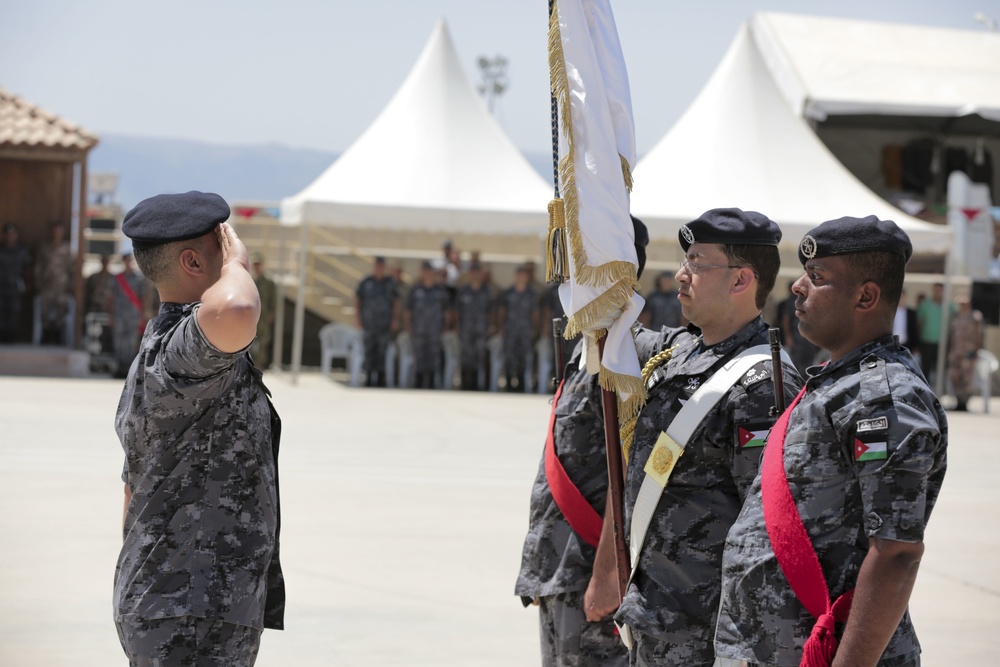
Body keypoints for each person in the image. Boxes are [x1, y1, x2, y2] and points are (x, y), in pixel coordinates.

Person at [715, 215, 948, 667]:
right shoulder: (837, 384)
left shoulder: (884, 396)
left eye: (817, 277)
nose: (798, 287)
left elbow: (896, 553)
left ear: (866, 296)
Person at [608, 208, 802, 666]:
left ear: (740, 281)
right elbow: (611, 335)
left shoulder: (760, 384)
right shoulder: (679, 351)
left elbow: (764, 531)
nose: (681, 274)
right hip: (654, 618)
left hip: (706, 633)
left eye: (697, 262)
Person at [113, 191, 284, 666]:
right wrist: (240, 267)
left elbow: (132, 490)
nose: (234, 253)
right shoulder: (181, 353)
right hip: (189, 609)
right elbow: (236, 310)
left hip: (189, 602)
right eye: (222, 246)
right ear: (192, 261)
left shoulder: (163, 349)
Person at [515, 216, 649, 667]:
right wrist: (541, 567)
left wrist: (608, 573)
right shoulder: (585, 349)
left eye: (579, 265)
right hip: (563, 569)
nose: (565, 277)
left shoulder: (625, 354)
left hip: (591, 568)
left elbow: (630, 471)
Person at [405, 261, 451, 389]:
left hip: (435, 331)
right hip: (418, 330)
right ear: (422, 273)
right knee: (419, 357)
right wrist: (408, 326)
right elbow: (408, 311)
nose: (427, 273)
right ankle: (418, 383)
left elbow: (446, 312)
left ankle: (431, 382)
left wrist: (445, 327)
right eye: (425, 271)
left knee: (433, 358)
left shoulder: (440, 291)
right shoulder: (415, 290)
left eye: (429, 271)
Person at [355, 257, 398, 387]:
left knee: (382, 352)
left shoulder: (390, 283)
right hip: (369, 323)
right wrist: (357, 318)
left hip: (384, 324)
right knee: (369, 351)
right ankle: (368, 378)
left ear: (384, 267)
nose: (379, 268)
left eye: (381, 266)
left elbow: (396, 302)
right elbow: (358, 299)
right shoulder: (366, 282)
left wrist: (395, 319)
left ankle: (380, 379)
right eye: (377, 266)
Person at [498, 266, 538, 392]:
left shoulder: (531, 294)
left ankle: (520, 384)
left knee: (523, 357)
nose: (521, 278)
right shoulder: (508, 293)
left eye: (523, 275)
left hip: (525, 330)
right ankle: (509, 382)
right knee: (509, 356)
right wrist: (501, 328)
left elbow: (535, 314)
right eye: (519, 275)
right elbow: (502, 312)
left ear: (526, 277)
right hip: (510, 330)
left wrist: (534, 328)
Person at [34, 222, 74, 345]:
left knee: (61, 312)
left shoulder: (67, 248)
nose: (56, 233)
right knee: (44, 312)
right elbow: (38, 267)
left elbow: (72, 268)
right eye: (54, 230)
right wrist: (38, 284)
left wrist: (71, 286)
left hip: (62, 286)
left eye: (59, 231)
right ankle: (45, 337)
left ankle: (58, 338)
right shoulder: (45, 247)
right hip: (47, 285)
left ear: (62, 232)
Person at [455, 262, 492, 390]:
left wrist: (490, 327)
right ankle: (465, 383)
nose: (475, 275)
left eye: (478, 272)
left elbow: (490, 312)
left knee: (479, 356)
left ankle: (477, 384)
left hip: (481, 329)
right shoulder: (463, 291)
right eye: (473, 272)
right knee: (465, 356)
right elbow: (457, 311)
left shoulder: (486, 292)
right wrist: (456, 326)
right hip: (466, 329)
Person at [111, 253, 148, 378]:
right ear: (123, 262)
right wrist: (111, 314)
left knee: (132, 341)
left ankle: (129, 368)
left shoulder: (138, 278)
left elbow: (142, 298)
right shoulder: (117, 278)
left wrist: (142, 315)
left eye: (130, 260)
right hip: (120, 314)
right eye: (126, 260)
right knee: (119, 341)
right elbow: (112, 297)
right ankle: (119, 366)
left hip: (133, 314)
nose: (128, 263)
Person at [948, 295, 984, 412]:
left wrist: (976, 352)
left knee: (966, 378)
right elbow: (952, 334)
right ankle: (958, 402)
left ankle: (964, 403)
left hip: (968, 352)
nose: (962, 306)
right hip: (956, 351)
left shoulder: (975, 317)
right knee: (955, 377)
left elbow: (979, 335)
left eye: (964, 303)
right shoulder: (956, 316)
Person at [779, 283, 821, 374]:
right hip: (796, 337)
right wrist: (788, 337)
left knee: (809, 364)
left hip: (809, 338)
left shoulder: (812, 300)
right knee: (796, 364)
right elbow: (786, 320)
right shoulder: (793, 300)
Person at [0, 222, 31, 343]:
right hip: (1, 286)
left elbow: (27, 269)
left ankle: (11, 338)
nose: (10, 236)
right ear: (3, 235)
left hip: (15, 286)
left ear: (16, 235)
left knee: (14, 312)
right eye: (7, 234)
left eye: (12, 234)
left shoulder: (22, 250)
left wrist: (28, 285)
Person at [916, 282, 952, 383]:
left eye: (939, 291)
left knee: (940, 371)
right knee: (925, 370)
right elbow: (919, 323)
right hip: (926, 342)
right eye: (935, 290)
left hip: (942, 344)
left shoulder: (949, 306)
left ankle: (938, 394)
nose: (937, 293)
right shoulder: (925, 305)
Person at [251, 253, 278, 370]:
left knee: (263, 341)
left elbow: (273, 299)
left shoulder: (268, 281)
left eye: (258, 264)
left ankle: (260, 364)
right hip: (251, 316)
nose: (256, 266)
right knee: (249, 339)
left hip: (264, 315)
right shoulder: (249, 280)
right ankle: (250, 362)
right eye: (254, 264)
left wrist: (272, 314)